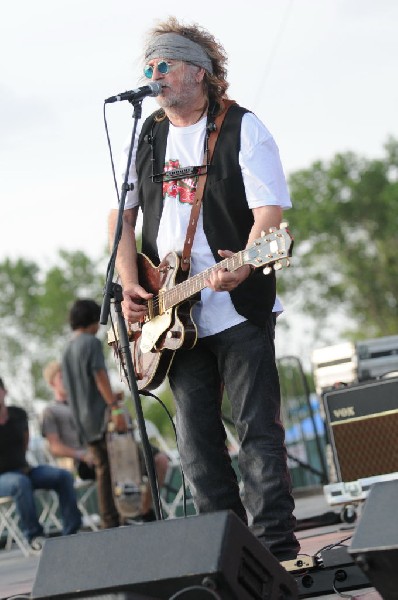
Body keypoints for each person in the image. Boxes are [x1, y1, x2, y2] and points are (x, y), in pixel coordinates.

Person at [108, 17, 300, 561]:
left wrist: (244, 261)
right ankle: (230, 559)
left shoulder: (243, 127)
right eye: (147, 68)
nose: (153, 75)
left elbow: (270, 217)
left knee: (258, 436)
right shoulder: (146, 135)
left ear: (199, 71)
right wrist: (129, 284)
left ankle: (278, 555)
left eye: (163, 65)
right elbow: (121, 221)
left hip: (236, 306)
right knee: (196, 449)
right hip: (169, 317)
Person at [62, 298, 169, 527]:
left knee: (106, 472)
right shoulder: (89, 343)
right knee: (144, 462)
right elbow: (98, 375)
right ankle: (134, 515)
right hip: (104, 419)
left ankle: (112, 522)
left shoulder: (67, 350)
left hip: (83, 423)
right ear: (92, 319)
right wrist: (115, 407)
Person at [0, 376, 81, 553]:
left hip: (25, 470)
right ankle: (34, 536)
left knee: (63, 476)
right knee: (20, 483)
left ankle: (72, 531)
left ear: (4, 391)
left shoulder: (18, 414)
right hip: (4, 479)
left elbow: (25, 442)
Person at [42, 360, 96, 480]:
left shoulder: (82, 405)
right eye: (61, 378)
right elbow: (54, 447)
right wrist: (82, 455)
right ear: (52, 383)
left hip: (96, 454)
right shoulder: (50, 411)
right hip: (79, 464)